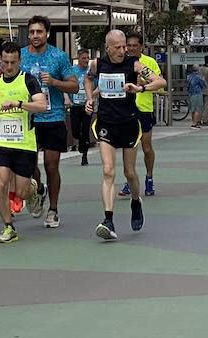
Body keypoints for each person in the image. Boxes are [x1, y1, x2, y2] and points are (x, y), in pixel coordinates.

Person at [85, 30, 165, 241]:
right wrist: (89, 98)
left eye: (124, 46)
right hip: (106, 124)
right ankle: (108, 220)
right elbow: (87, 79)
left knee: (129, 173)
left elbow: (161, 82)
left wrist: (139, 88)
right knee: (108, 171)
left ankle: (136, 201)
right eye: (118, 47)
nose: (123, 50)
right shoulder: (97, 64)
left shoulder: (134, 65)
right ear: (107, 47)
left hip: (129, 124)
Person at [0, 41, 48, 243]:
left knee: (22, 192)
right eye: (5, 62)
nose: (8, 66)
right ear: (0, 60)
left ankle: (36, 189)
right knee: (0, 184)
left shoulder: (28, 80)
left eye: (13, 62)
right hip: (1, 142)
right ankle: (8, 226)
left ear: (19, 61)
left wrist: (19, 104)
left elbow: (42, 106)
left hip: (24, 144)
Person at [21, 15, 79, 229]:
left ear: (47, 33)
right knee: (28, 165)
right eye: (32, 32)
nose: (35, 35)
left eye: (39, 32)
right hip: (28, 117)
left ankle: (53, 209)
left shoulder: (58, 56)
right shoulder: (20, 56)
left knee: (51, 164)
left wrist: (54, 82)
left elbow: (74, 86)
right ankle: (39, 190)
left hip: (53, 116)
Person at [122, 31, 164, 197]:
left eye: (135, 45)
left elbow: (161, 86)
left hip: (144, 110)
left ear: (142, 47)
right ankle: (129, 179)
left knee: (146, 147)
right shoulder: (122, 62)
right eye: (129, 46)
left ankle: (149, 177)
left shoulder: (149, 63)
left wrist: (144, 83)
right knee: (130, 147)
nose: (131, 49)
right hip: (126, 110)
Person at [68, 47, 93, 166]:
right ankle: (80, 139)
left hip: (88, 105)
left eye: (88, 58)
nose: (86, 60)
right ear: (78, 58)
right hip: (75, 105)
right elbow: (66, 84)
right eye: (84, 58)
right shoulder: (72, 71)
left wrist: (93, 95)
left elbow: (98, 84)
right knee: (76, 132)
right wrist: (66, 97)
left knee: (86, 129)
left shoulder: (91, 71)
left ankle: (85, 155)